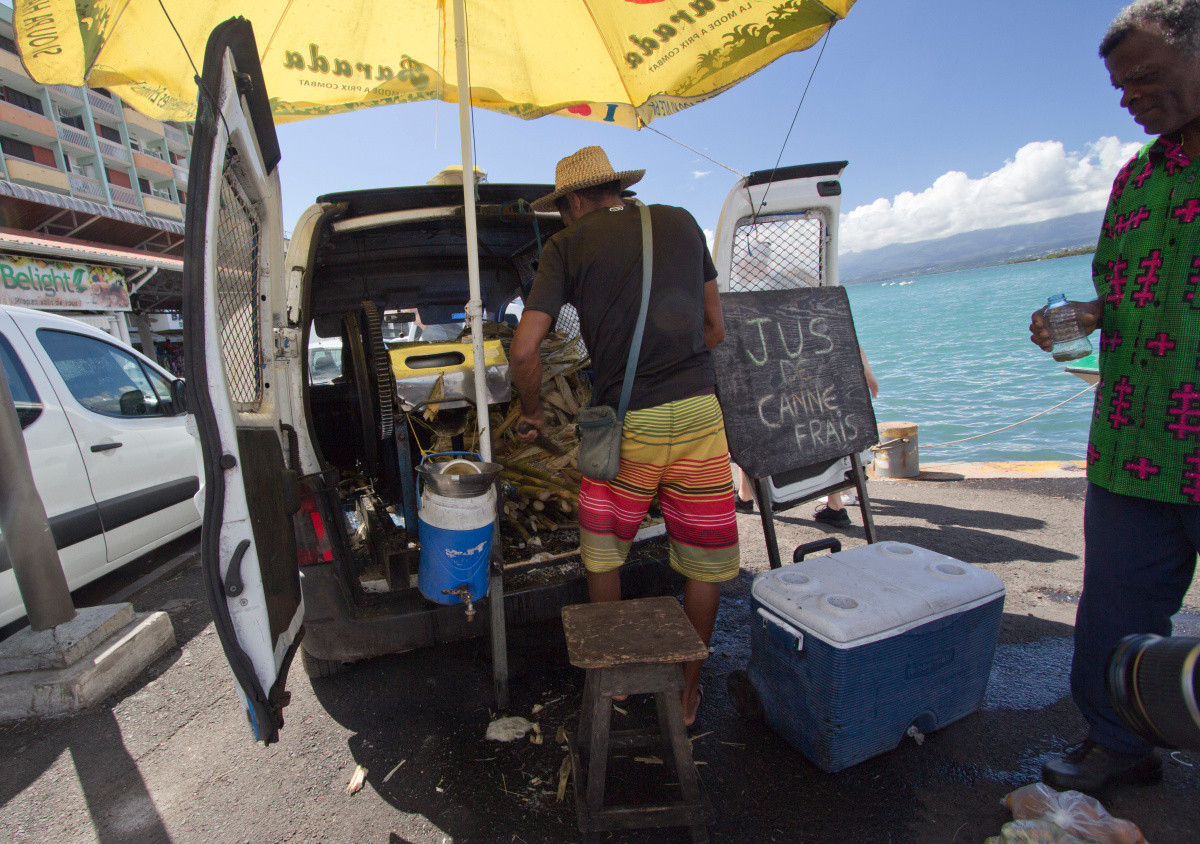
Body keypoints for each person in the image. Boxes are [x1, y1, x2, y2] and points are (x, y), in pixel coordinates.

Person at [1028, 0, 1200, 794]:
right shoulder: (1135, 178)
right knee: (1113, 612)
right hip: (1136, 439)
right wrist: (1087, 316)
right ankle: (1118, 744)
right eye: (1121, 87)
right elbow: (1118, 293)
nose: (1130, 98)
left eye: (1146, 78)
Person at [510, 146, 741, 727]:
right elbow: (715, 328)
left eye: (563, 209)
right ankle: (687, 698)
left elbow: (524, 349)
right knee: (704, 562)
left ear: (576, 201)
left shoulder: (567, 245)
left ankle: (614, 688)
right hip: (699, 418)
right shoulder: (683, 222)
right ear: (616, 188)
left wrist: (534, 412)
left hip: (625, 425)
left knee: (605, 550)